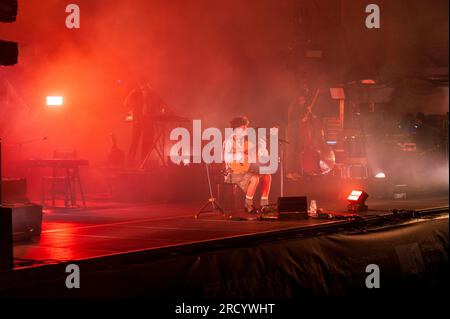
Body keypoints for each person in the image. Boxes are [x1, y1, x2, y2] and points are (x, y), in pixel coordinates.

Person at [223, 116, 272, 213]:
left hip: (246, 170)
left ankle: (264, 205)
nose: (246, 129)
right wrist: (240, 155)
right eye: (244, 127)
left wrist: (262, 148)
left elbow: (259, 156)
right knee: (254, 178)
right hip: (233, 173)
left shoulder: (246, 142)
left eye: (246, 127)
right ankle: (248, 205)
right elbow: (226, 158)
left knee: (267, 176)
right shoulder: (229, 141)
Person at [123, 78, 164, 166]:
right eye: (142, 85)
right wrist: (130, 94)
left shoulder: (152, 93)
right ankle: (129, 163)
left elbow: (161, 103)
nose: (144, 87)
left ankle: (143, 163)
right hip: (138, 120)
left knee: (146, 142)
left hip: (147, 121)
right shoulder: (135, 93)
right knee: (134, 142)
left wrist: (164, 110)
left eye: (145, 85)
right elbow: (125, 103)